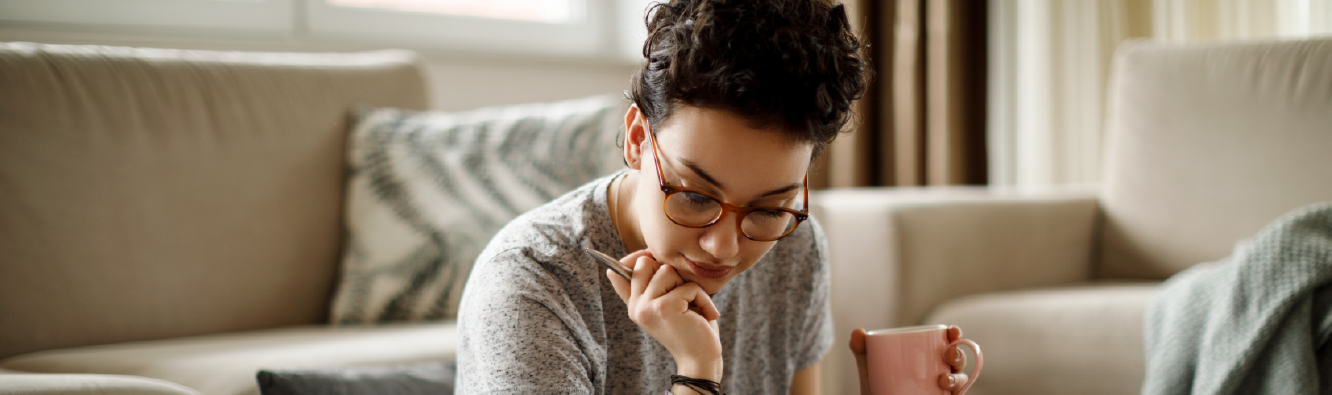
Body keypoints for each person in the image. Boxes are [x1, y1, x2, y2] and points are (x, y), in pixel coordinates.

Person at [455, 0, 868, 393]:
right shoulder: (531, 285)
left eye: (767, 209)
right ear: (637, 138)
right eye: (695, 196)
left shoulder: (795, 246)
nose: (722, 248)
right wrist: (697, 374)